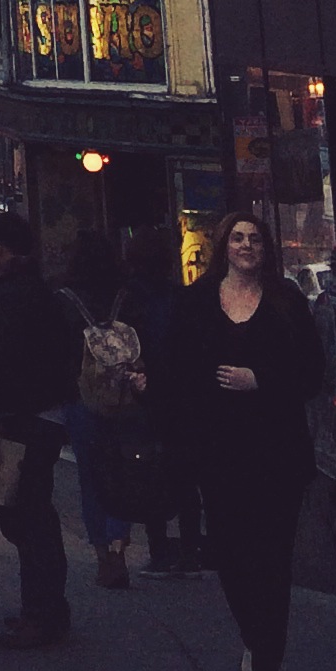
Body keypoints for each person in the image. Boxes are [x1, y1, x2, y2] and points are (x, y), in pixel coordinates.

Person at [157, 209, 324, 671]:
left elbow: (313, 374)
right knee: (230, 555)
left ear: (267, 248)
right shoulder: (196, 304)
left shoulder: (287, 303)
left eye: (255, 238)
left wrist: (263, 381)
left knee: (272, 560)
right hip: (218, 453)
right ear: (223, 246)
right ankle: (254, 637)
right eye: (238, 238)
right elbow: (176, 371)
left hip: (276, 453)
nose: (246, 246)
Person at [0, 212, 82, 647]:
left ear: (1, 249)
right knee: (35, 513)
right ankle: (45, 608)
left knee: (24, 516)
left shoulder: (3, 299)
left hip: (16, 421)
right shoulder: (45, 295)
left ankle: (40, 612)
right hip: (45, 416)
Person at [118, 222, 201, 576]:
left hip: (146, 391)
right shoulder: (179, 295)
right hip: (181, 392)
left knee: (150, 469)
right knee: (184, 474)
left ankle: (160, 549)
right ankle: (190, 547)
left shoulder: (129, 296)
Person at [60, 228, 137, 589]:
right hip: (123, 396)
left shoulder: (65, 297)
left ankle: (102, 554)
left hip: (82, 398)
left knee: (90, 476)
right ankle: (120, 545)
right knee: (120, 472)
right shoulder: (125, 295)